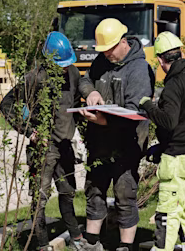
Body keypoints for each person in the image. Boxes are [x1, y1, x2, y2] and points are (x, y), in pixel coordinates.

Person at [0, 32, 84, 251]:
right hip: (43, 150)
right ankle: (43, 244)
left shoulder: (73, 73)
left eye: (68, 64)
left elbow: (75, 103)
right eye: (60, 65)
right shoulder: (34, 78)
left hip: (65, 146)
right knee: (40, 200)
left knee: (67, 194)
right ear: (49, 61)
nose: (65, 68)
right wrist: (28, 130)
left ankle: (76, 238)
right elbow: (6, 104)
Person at [78, 18, 155, 251]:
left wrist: (104, 120)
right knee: (94, 190)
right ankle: (92, 241)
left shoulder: (140, 69)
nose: (107, 54)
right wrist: (90, 92)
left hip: (127, 144)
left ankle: (125, 245)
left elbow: (136, 111)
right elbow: (84, 80)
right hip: (99, 143)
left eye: (110, 49)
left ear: (123, 42)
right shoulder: (102, 61)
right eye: (103, 50)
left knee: (124, 194)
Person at [139, 31, 185, 251]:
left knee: (167, 214)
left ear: (160, 60)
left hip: (177, 159)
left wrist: (148, 106)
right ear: (179, 53)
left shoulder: (173, 85)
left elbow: (168, 121)